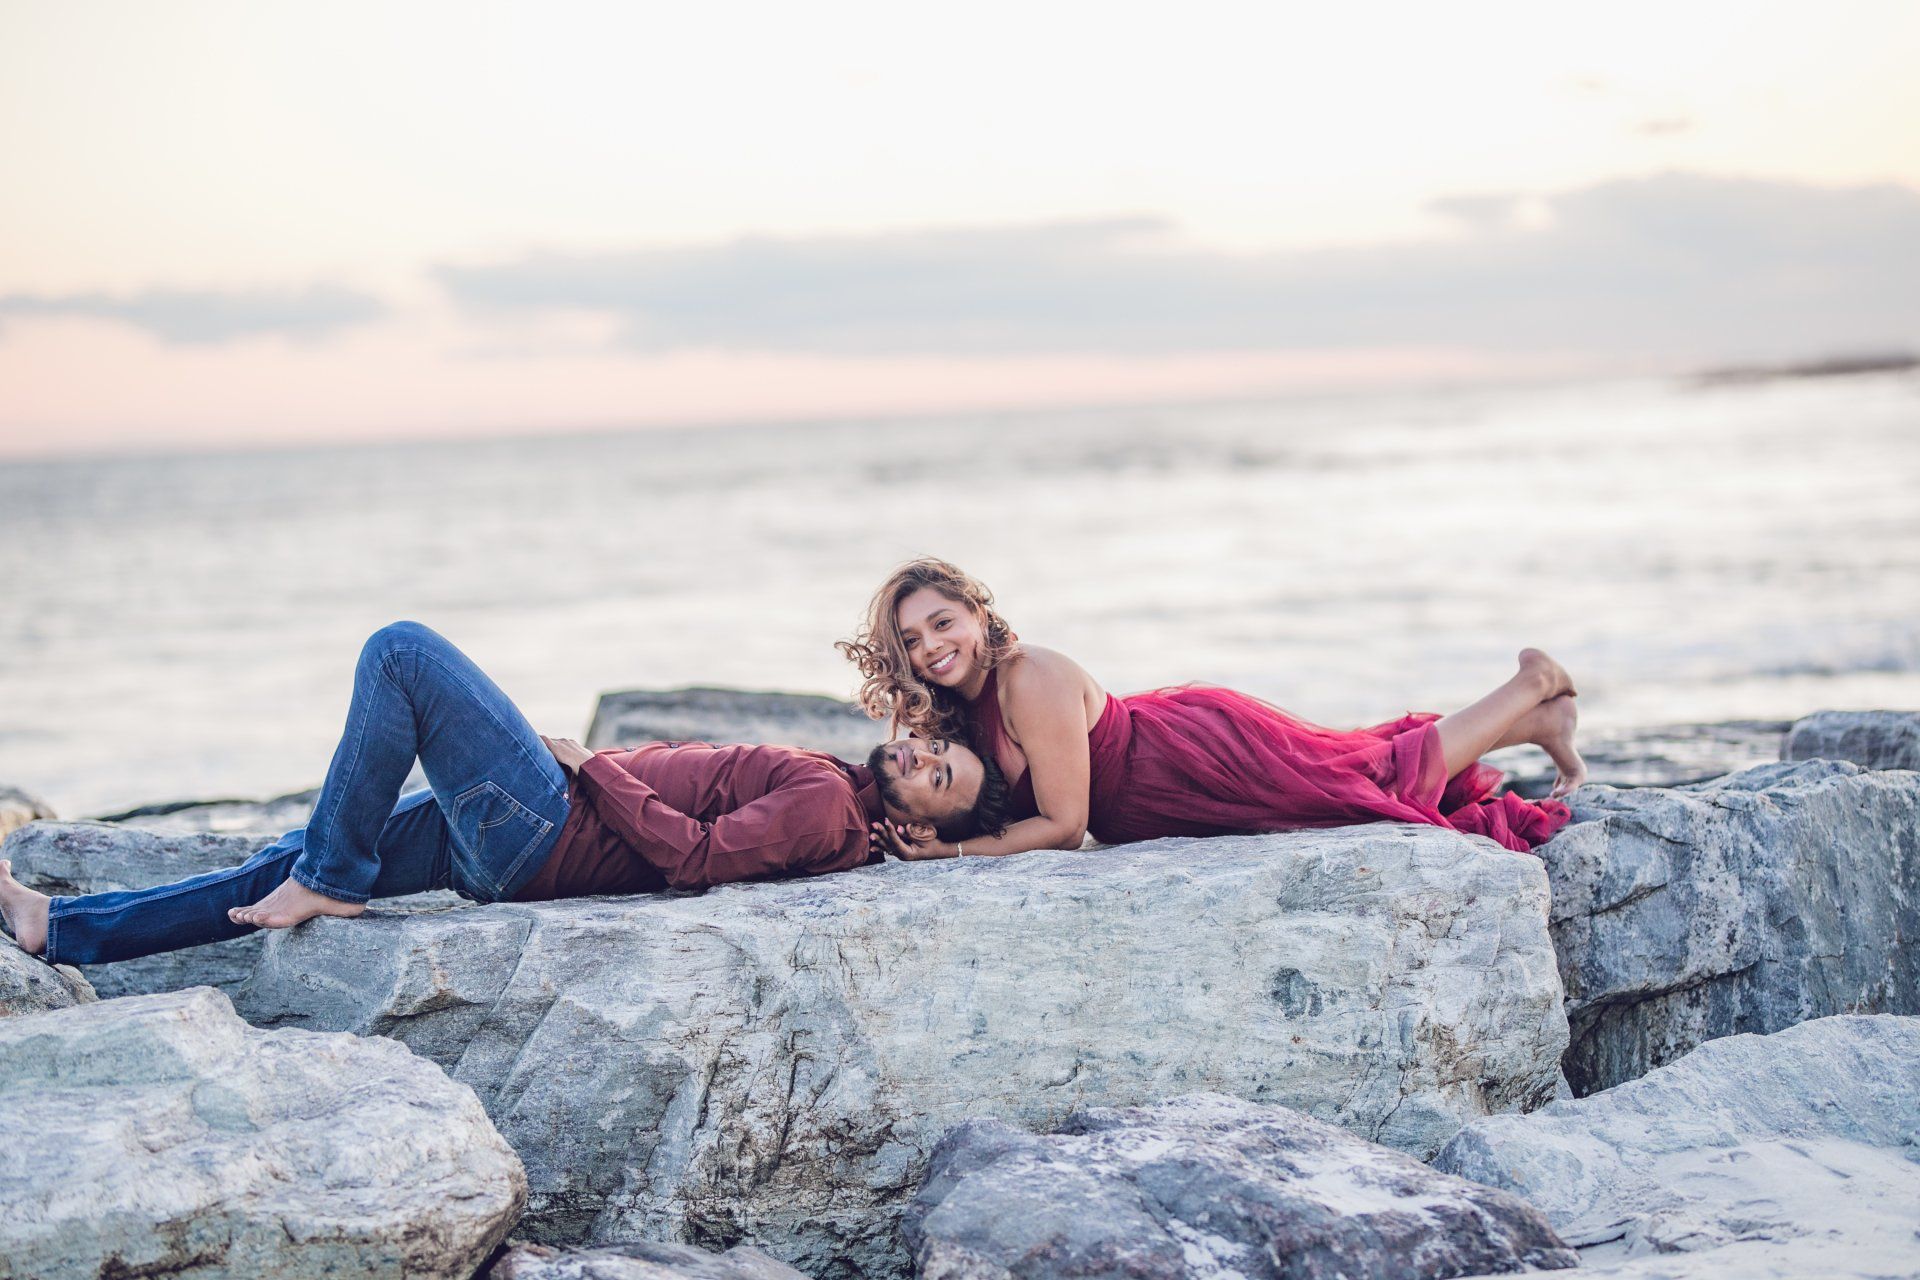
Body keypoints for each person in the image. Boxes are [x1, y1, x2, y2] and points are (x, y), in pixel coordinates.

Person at [0, 621, 1009, 967]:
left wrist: (590, 763)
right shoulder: (838, 790)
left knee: (401, 655)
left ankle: (335, 875)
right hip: (532, 844)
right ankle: (60, 925)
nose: (924, 756)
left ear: (922, 824)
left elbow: (695, 860)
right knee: (279, 868)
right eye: (934, 749)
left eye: (942, 779)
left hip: (547, 827)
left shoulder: (829, 807)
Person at [838, 559, 1583, 862]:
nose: (933, 647)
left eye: (943, 623)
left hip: (1195, 759)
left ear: (975, 612)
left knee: (1374, 780)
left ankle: (1531, 683)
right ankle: (1540, 723)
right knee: (1357, 760)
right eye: (912, 640)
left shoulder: (1026, 677)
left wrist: (954, 856)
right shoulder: (957, 719)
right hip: (1163, 800)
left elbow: (1065, 827)